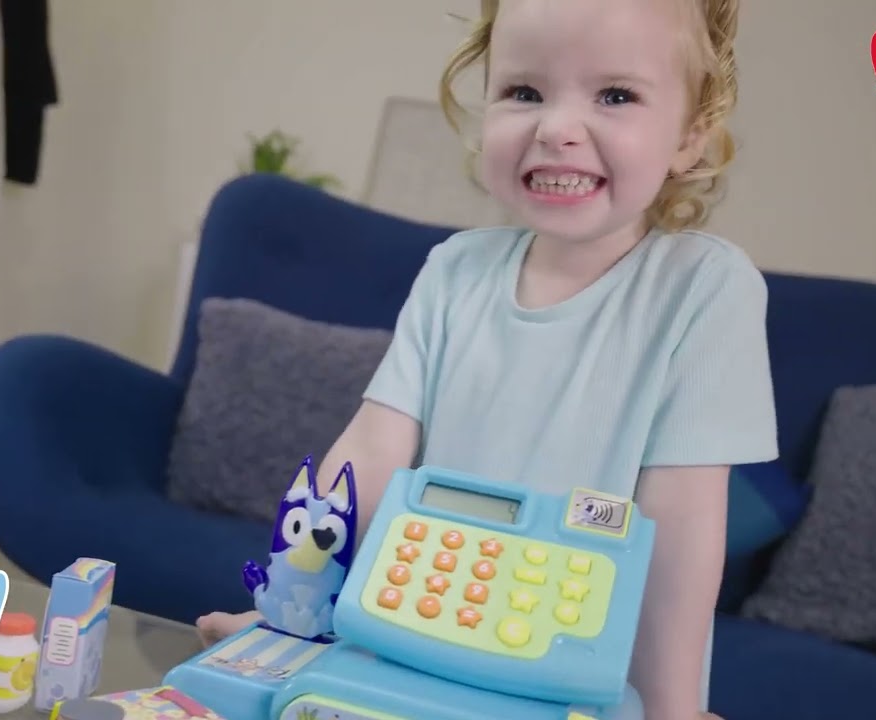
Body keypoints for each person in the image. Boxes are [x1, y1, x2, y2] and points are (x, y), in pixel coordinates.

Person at [199, 0, 771, 718]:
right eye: (524, 92)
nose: (557, 129)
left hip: (575, 689)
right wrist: (293, 612)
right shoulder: (454, 270)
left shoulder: (704, 290)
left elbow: (679, 530)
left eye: (615, 95)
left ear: (692, 136)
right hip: (405, 654)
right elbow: (371, 456)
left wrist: (670, 709)